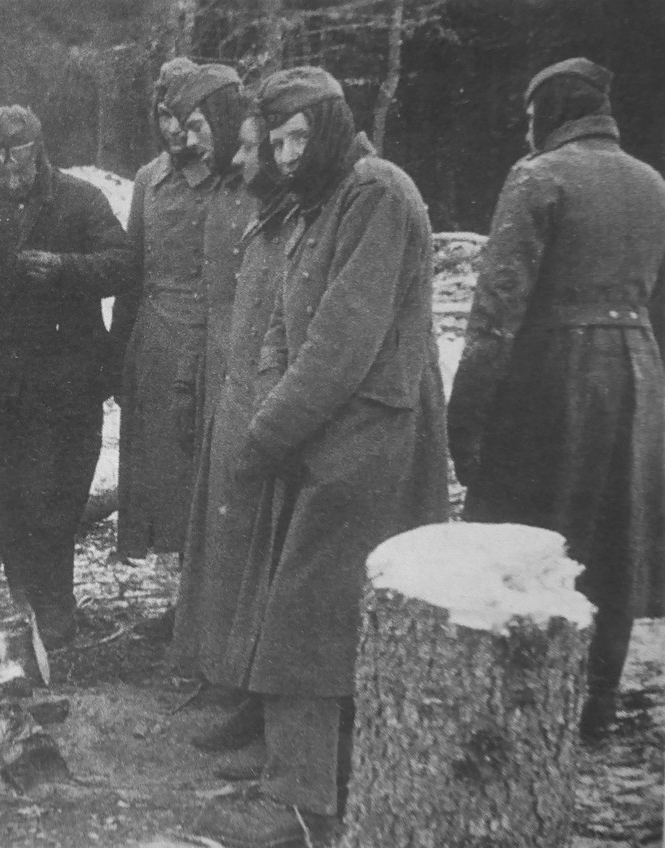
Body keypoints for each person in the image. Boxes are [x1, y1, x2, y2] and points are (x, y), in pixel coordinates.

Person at [194, 67, 449, 846]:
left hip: (374, 427)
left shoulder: (375, 192)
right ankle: (305, 762)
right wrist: (271, 414)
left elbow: (342, 338)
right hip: (328, 426)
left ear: (333, 127)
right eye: (278, 142)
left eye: (301, 136)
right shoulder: (317, 199)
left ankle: (301, 800)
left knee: (309, 600)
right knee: (312, 598)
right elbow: (283, 322)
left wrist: (268, 432)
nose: (288, 153)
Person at [448, 57, 665, 742]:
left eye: (529, 117)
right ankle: (596, 702)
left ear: (550, 113)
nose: (525, 131)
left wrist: (468, 422)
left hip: (550, 378)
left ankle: (525, 702)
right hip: (637, 374)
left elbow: (494, 311)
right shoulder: (652, 183)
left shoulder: (539, 177)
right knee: (616, 532)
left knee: (534, 532)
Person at [0, 105, 134, 648]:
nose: (6, 164)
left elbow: (121, 263)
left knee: (58, 497)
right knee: (8, 494)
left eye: (16, 153)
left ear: (38, 149)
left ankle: (55, 604)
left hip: (67, 378)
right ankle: (26, 606)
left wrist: (67, 269)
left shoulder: (81, 199)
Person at [169, 91, 293, 744]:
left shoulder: (275, 206)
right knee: (219, 527)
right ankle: (219, 667)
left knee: (251, 530)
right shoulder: (221, 195)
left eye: (199, 128)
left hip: (257, 376)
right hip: (225, 364)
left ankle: (251, 685)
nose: (194, 140)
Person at [113, 59, 226, 562]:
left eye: (185, 116)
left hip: (210, 341)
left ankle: (199, 604)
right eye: (164, 115)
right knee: (160, 473)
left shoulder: (228, 176)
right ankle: (178, 595)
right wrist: (119, 354)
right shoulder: (147, 180)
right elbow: (131, 272)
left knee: (204, 473)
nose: (174, 129)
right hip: (154, 343)